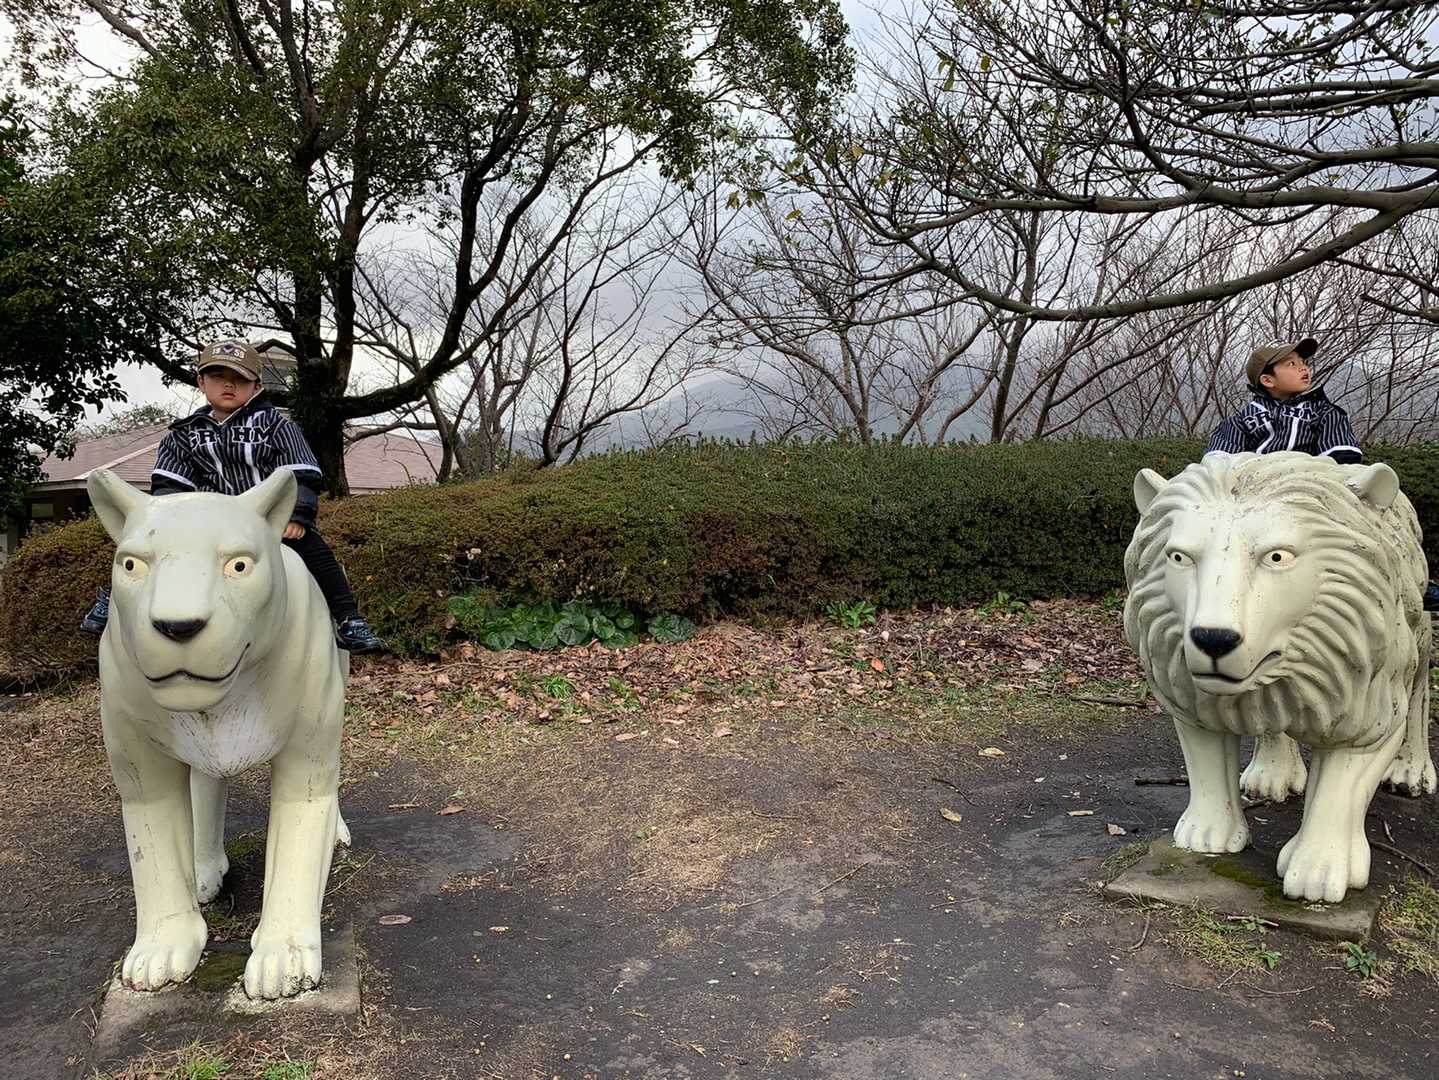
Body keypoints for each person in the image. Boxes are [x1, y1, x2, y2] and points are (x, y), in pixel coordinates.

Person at [80, 339, 385, 653]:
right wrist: (169, 524)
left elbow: (302, 474)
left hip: (267, 522)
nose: (229, 384)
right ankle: (113, 602)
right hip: (206, 527)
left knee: (316, 553)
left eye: (240, 378)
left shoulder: (277, 426)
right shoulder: (183, 435)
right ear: (201, 382)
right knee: (145, 551)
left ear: (256, 386)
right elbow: (168, 489)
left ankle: (348, 618)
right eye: (218, 376)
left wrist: (297, 515)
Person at [1206, 335, 1439, 610]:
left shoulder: (1325, 412)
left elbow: (1342, 459)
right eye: (1291, 364)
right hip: (1252, 501)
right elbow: (1218, 465)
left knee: (1371, 517)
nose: (1303, 368)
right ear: (1268, 380)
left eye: (1303, 362)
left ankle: (1399, 580)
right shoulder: (1240, 421)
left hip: (1312, 496)